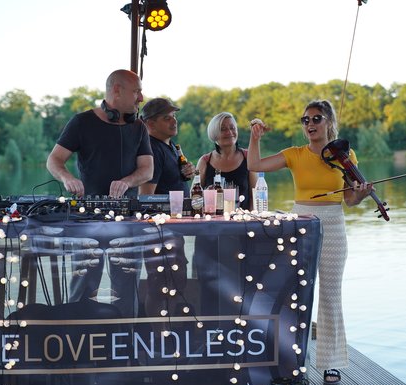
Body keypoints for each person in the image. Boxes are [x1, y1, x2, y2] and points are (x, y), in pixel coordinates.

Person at [246, 99, 373, 385]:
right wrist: (255, 138)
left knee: (330, 295)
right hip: (301, 224)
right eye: (306, 120)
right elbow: (254, 164)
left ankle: (331, 362)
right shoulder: (294, 154)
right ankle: (291, 362)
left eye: (316, 119)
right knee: (295, 295)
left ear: (329, 122)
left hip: (334, 224)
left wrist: (361, 194)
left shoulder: (345, 155)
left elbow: (350, 199)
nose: (310, 124)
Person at [45, 69, 154, 317]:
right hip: (86, 221)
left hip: (127, 220)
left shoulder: (138, 127)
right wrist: (67, 178)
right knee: (82, 289)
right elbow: (54, 160)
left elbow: (147, 170)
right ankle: (79, 336)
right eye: (136, 91)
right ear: (117, 90)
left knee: (126, 291)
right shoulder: (81, 122)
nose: (141, 98)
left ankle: (125, 336)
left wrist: (127, 181)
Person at [138, 98, 196, 318]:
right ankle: (158, 331)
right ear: (150, 124)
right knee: (159, 285)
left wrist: (186, 173)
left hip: (174, 229)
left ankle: (168, 329)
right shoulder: (152, 150)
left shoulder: (170, 146)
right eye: (167, 118)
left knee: (176, 281)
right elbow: (146, 197)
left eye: (174, 116)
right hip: (159, 231)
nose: (174, 121)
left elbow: (170, 181)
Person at [196, 112, 257, 210]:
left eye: (232, 128)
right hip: (211, 219)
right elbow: (195, 197)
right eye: (223, 129)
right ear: (214, 134)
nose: (229, 132)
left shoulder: (248, 157)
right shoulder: (204, 161)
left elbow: (255, 197)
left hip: (243, 219)